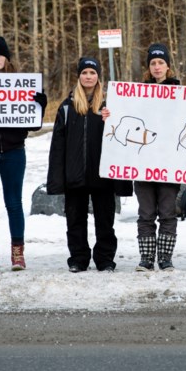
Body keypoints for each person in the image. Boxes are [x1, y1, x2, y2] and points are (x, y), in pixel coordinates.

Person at [47, 57, 132, 272]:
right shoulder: (67, 107)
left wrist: (110, 121)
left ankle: (105, 259)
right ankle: (78, 258)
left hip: (102, 174)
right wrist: (58, 176)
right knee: (75, 220)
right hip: (74, 174)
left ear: (98, 77)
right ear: (78, 76)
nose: (88, 77)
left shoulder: (110, 106)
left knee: (105, 221)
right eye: (84, 73)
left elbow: (122, 137)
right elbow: (58, 144)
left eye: (92, 73)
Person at [0, 36, 48, 271]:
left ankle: (17, 253)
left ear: (7, 57)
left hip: (14, 151)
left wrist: (39, 105)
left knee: (14, 203)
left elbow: (33, 126)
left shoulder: (23, 85)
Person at [132, 43, 181, 271]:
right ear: (149, 67)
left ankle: (165, 258)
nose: (157, 67)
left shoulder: (181, 93)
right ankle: (146, 258)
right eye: (153, 63)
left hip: (169, 163)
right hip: (144, 163)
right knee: (146, 213)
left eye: (161, 62)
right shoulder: (138, 93)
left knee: (168, 213)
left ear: (168, 66)